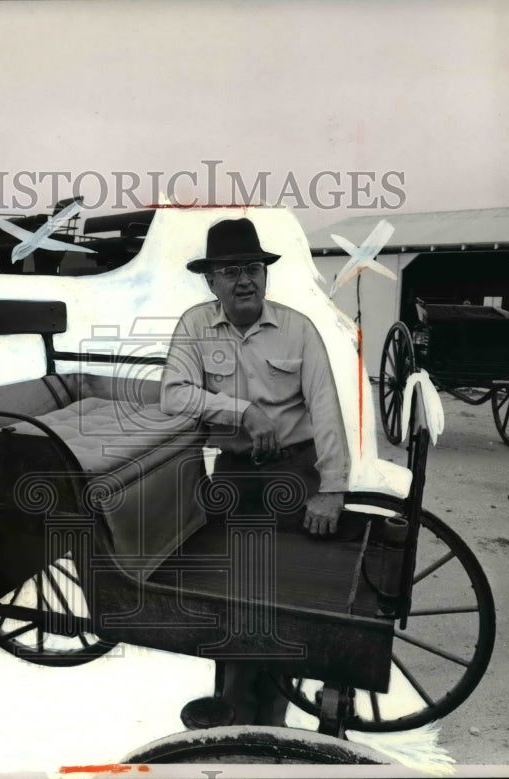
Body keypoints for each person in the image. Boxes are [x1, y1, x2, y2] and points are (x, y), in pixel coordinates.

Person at [159, 217, 350, 727]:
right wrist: (240, 410)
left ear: (264, 274)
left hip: (294, 472)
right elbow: (173, 395)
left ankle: (272, 719)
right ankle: (235, 712)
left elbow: (327, 410)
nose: (244, 280)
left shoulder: (298, 330)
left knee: (281, 595)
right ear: (210, 281)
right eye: (229, 271)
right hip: (235, 474)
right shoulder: (195, 327)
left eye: (252, 268)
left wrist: (332, 489)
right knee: (230, 595)